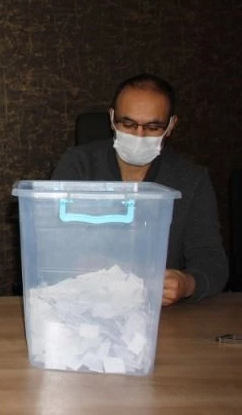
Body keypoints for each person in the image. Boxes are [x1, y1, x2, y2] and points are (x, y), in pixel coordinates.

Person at [51, 74, 229, 305]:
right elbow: (51, 245)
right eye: (128, 124)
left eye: (153, 127)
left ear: (171, 126)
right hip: (83, 303)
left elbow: (211, 261)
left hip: (159, 312)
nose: (139, 135)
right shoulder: (78, 166)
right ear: (112, 119)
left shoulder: (191, 180)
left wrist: (186, 284)